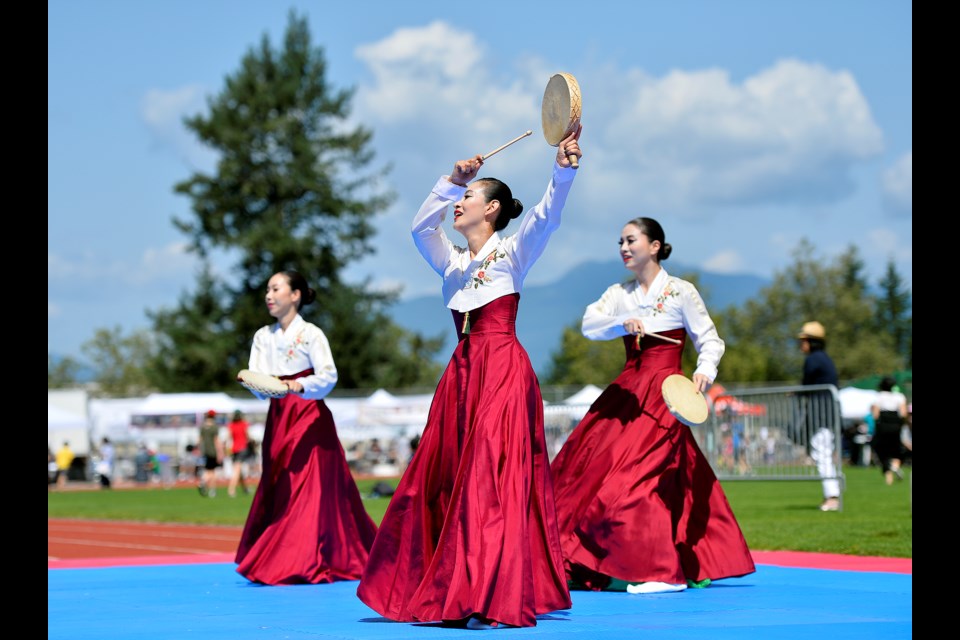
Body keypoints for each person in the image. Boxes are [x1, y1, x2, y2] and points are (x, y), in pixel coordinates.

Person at [357, 127, 583, 630]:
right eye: (457, 199)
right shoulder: (452, 265)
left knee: (491, 481)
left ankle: (488, 590)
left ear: (494, 209)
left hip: (502, 371)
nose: (458, 205)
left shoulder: (513, 252)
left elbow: (548, 214)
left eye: (468, 198)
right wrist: (451, 180)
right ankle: (449, 584)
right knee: (438, 481)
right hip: (460, 376)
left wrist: (564, 168)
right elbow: (420, 228)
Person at [548, 216, 755, 595]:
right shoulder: (619, 293)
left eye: (631, 240)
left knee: (637, 481)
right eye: (620, 242)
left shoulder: (680, 292)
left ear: (655, 246)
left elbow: (710, 340)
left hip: (665, 396)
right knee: (583, 470)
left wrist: (705, 371)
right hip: (626, 394)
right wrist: (620, 324)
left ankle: (662, 570)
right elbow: (589, 325)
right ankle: (584, 559)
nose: (624, 248)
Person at [234, 270, 378, 585]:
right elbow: (261, 384)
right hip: (279, 417)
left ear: (295, 295)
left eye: (276, 289)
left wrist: (297, 386)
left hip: (310, 417)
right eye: (267, 290)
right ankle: (294, 553)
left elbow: (328, 376)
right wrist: (256, 384)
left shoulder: (311, 334)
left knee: (309, 487)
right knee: (282, 484)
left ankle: (301, 558)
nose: (269, 296)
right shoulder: (262, 336)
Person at [797, 321, 842, 512]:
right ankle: (832, 494)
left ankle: (832, 497)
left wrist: (798, 393)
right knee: (823, 452)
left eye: (804, 340)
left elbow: (807, 385)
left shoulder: (813, 359)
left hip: (821, 412)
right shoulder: (824, 358)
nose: (801, 345)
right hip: (827, 411)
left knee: (821, 452)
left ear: (811, 342)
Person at [870, 376, 908, 485]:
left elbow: (875, 415)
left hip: (883, 425)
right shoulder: (899, 396)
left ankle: (888, 478)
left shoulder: (879, 396)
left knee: (882, 450)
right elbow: (903, 413)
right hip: (896, 425)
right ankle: (895, 465)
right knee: (896, 448)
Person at [197, 410, 223, 496]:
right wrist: (220, 452)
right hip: (213, 451)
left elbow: (199, 440)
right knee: (212, 471)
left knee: (208, 470)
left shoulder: (203, 427)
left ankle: (207, 485)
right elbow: (216, 441)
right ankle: (210, 488)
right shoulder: (214, 427)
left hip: (205, 451)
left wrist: (199, 450)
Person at [226, 410, 252, 497]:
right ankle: (231, 490)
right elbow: (248, 436)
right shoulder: (244, 424)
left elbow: (228, 437)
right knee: (237, 470)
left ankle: (245, 488)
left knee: (238, 470)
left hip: (234, 449)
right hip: (242, 448)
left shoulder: (231, 425)